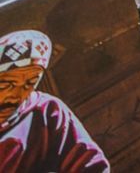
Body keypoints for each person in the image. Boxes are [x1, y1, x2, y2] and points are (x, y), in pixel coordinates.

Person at [0, 30, 107, 172]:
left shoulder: (47, 110)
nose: (17, 95)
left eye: (30, 83)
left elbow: (91, 165)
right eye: (7, 84)